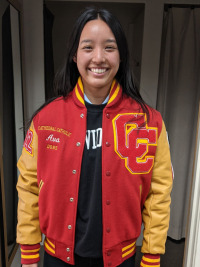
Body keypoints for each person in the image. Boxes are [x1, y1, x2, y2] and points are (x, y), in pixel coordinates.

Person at [16, 7, 173, 267]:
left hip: (120, 258)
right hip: (58, 256)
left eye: (109, 47)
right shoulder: (46, 120)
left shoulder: (150, 122)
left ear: (121, 56)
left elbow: (159, 193)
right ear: (74, 55)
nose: (98, 58)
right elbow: (28, 186)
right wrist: (30, 252)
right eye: (88, 47)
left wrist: (151, 255)